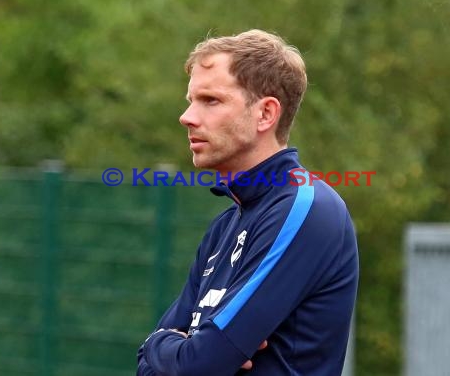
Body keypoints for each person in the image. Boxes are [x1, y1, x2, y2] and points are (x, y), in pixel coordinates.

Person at [136, 29, 359, 376]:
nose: (187, 117)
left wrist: (160, 346)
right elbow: (149, 368)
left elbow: (198, 365)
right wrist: (165, 348)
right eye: (190, 100)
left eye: (211, 100)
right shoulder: (224, 226)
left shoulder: (303, 208)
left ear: (266, 114)